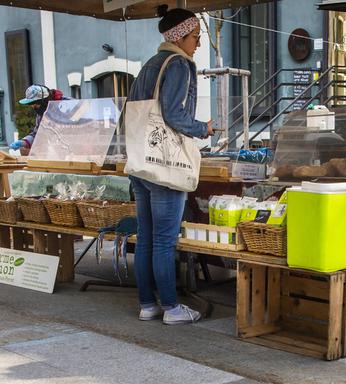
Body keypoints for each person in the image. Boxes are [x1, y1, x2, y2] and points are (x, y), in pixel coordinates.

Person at [125, 5, 214, 325]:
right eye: (195, 36)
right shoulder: (179, 64)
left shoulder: (149, 65)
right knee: (164, 240)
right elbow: (175, 116)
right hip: (166, 165)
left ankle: (148, 304)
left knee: (146, 237)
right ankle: (173, 309)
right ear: (179, 37)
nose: (198, 44)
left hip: (140, 163)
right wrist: (202, 128)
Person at [9, 84, 67, 156]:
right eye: (31, 105)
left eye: (35, 104)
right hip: (59, 153)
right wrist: (24, 142)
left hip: (76, 150)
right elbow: (38, 134)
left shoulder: (67, 104)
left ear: (44, 101)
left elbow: (82, 125)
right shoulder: (41, 113)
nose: (33, 107)